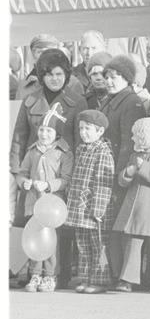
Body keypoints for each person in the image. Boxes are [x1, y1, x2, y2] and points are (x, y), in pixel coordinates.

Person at [10, 48, 88, 289]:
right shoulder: (31, 100)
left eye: (59, 74)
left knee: (60, 225)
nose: (55, 78)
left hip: (62, 172)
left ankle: (58, 274)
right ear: (41, 76)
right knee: (32, 221)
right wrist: (16, 171)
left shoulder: (77, 101)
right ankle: (29, 272)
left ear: (66, 75)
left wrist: (75, 174)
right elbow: (20, 137)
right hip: (34, 171)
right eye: (49, 74)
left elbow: (79, 139)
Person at [98, 55, 148, 284]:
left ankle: (124, 278)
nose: (108, 81)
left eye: (114, 77)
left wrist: (120, 175)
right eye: (106, 77)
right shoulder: (111, 101)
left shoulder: (130, 102)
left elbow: (130, 143)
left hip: (120, 175)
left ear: (126, 79)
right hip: (109, 171)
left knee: (122, 227)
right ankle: (116, 275)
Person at [112, 118, 150, 293]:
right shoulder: (135, 154)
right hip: (137, 209)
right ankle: (127, 280)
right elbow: (123, 181)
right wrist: (128, 173)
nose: (134, 140)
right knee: (132, 242)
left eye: (138, 136)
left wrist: (143, 166)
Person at [17, 104, 74, 292]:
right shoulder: (32, 151)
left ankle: (50, 276)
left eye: (49, 130)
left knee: (51, 242)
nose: (44, 134)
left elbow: (66, 179)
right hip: (34, 203)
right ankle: (34, 275)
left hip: (52, 207)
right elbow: (22, 172)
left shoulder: (64, 153)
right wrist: (24, 181)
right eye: (41, 129)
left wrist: (48, 185)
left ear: (57, 133)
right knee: (34, 238)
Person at [65, 110, 115, 294]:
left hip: (95, 211)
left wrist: (98, 209)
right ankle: (85, 279)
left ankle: (100, 281)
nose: (83, 132)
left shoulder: (103, 152)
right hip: (80, 208)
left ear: (100, 131)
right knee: (82, 246)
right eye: (81, 128)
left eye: (88, 129)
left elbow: (104, 183)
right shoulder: (81, 149)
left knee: (99, 246)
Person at [16, 36, 84, 100]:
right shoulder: (23, 86)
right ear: (33, 55)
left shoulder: (72, 83)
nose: (45, 56)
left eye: (49, 51)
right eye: (40, 52)